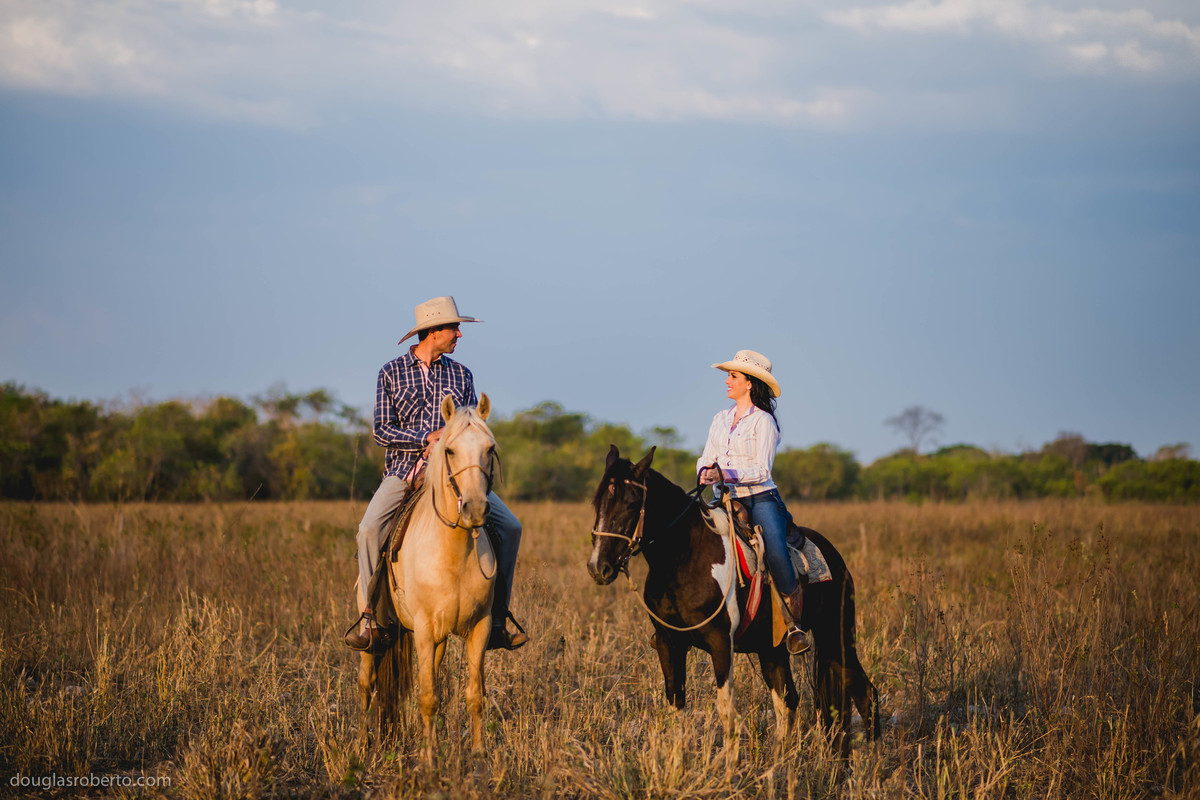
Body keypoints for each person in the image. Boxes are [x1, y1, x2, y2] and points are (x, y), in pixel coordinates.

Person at [344, 295, 528, 652]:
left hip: (456, 476)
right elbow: (381, 430)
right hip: (404, 471)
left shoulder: (462, 375)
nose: (459, 335)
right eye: (453, 328)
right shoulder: (390, 372)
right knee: (368, 530)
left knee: (511, 527)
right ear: (432, 332)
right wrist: (423, 438)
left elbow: (472, 424)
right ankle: (370, 617)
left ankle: (499, 618)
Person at [697, 349, 810, 655]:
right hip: (724, 499)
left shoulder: (764, 422)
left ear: (749, 383)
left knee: (774, 550)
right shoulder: (720, 419)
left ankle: (794, 623)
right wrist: (705, 472)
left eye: (732, 376)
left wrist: (725, 472)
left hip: (761, 498)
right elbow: (705, 457)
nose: (727, 382)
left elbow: (761, 470)